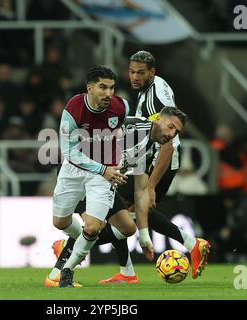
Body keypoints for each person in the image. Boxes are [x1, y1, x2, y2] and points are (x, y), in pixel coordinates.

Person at [49, 51, 210, 285]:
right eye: (131, 72)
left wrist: (152, 185)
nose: (134, 77)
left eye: (140, 73)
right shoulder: (148, 93)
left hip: (155, 165)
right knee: (125, 220)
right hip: (119, 164)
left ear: (152, 73)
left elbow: (167, 144)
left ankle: (66, 258)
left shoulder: (155, 104)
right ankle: (131, 268)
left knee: (110, 218)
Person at [52, 66, 132, 288]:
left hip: (102, 174)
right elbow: (68, 152)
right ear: (89, 88)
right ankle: (80, 244)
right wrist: (102, 169)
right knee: (60, 222)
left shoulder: (121, 106)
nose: (109, 93)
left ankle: (67, 271)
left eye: (112, 88)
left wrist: (116, 163)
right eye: (103, 87)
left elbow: (121, 134)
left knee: (93, 228)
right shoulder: (74, 109)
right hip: (74, 169)